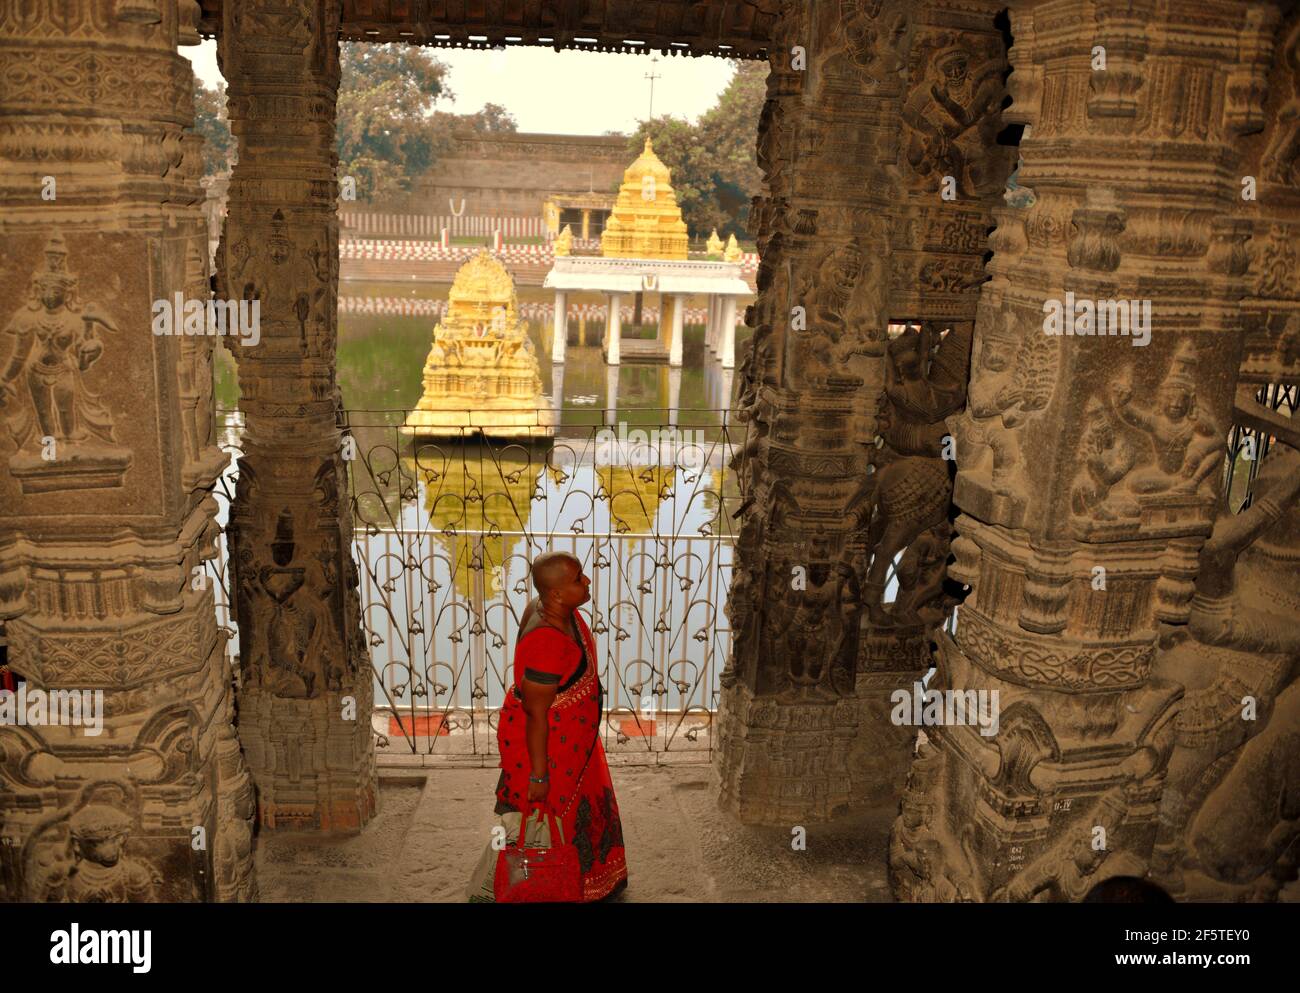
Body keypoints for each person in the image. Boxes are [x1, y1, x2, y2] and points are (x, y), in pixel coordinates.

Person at [466, 551, 627, 902]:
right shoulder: (545, 642)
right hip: (546, 746)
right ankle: (540, 883)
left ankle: (584, 880)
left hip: (571, 740)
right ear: (554, 594)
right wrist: (539, 777)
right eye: (577, 579)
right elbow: (536, 716)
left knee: (576, 807)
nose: (586, 582)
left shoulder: (556, 611)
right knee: (544, 812)